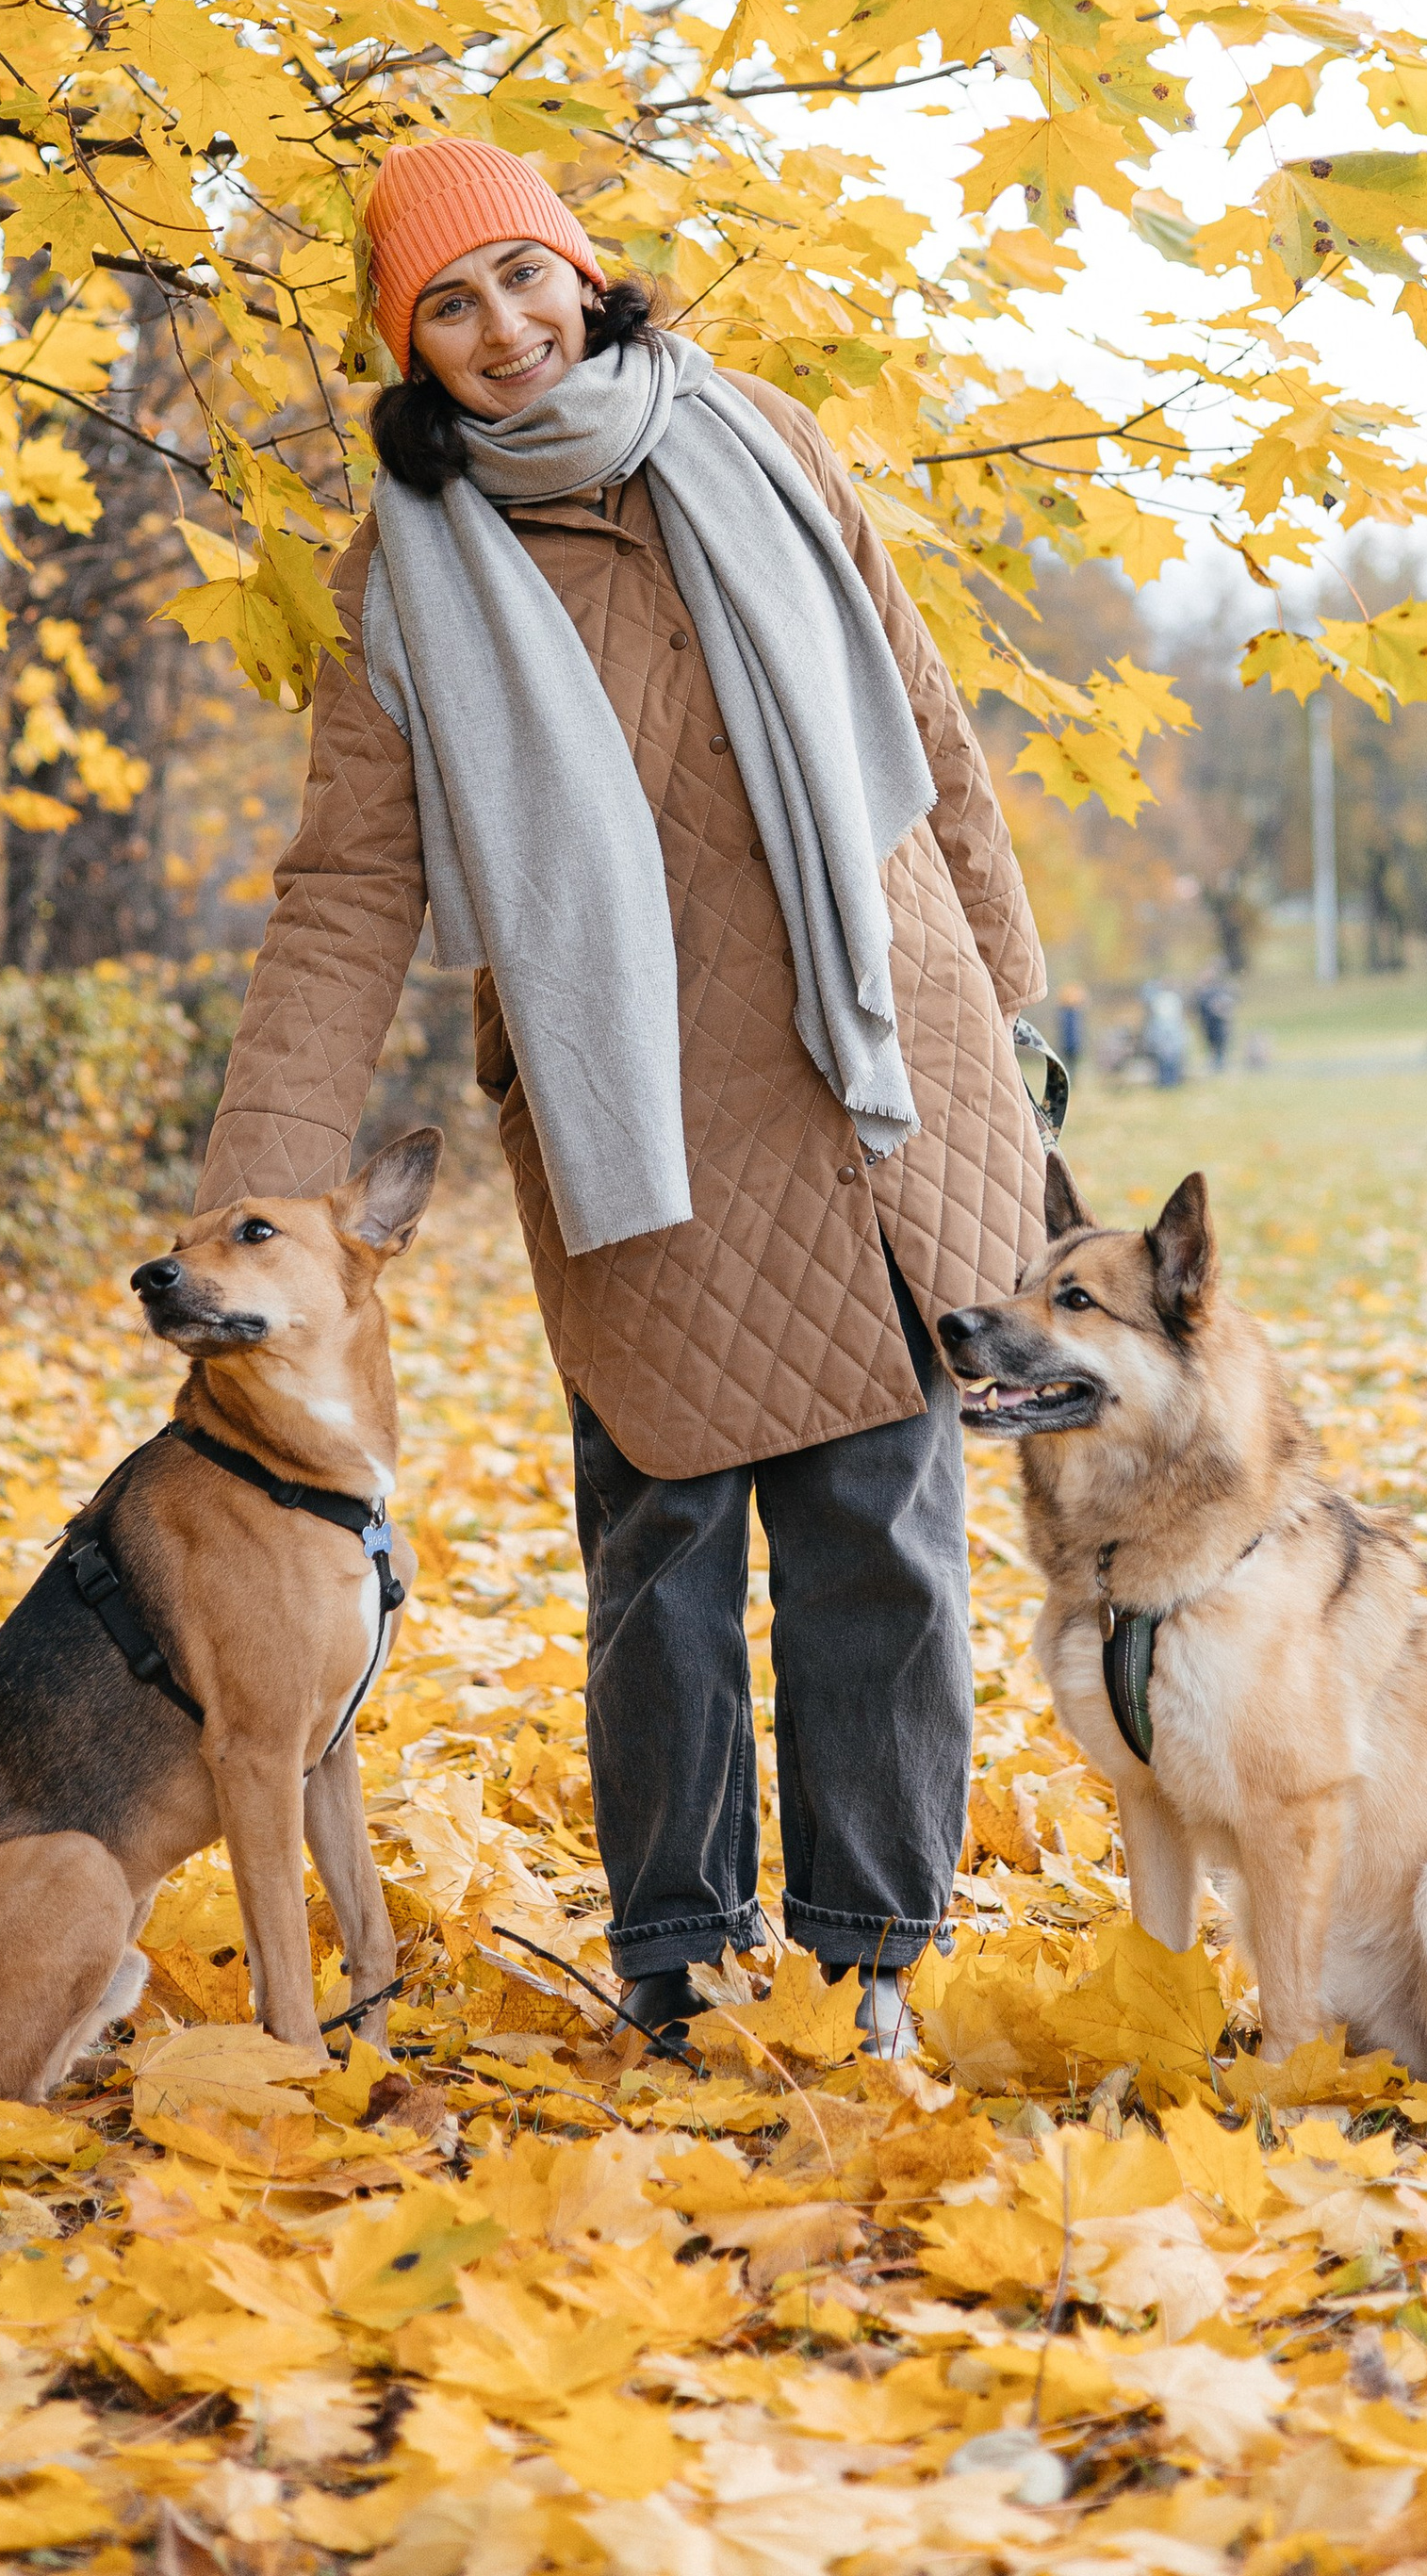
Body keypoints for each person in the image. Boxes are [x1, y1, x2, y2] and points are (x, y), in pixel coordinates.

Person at [197, 136, 1049, 2054]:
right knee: (662, 1553)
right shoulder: (402, 578)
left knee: (879, 1547)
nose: (501, 325)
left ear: (584, 271)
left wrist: (1009, 997)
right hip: (633, 1114)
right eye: (448, 302)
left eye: (521, 275)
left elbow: (924, 726)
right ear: (405, 344)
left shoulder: (758, 440)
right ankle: (678, 1959)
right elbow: (348, 889)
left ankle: (866, 1965)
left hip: (876, 1069)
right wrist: (259, 1188)